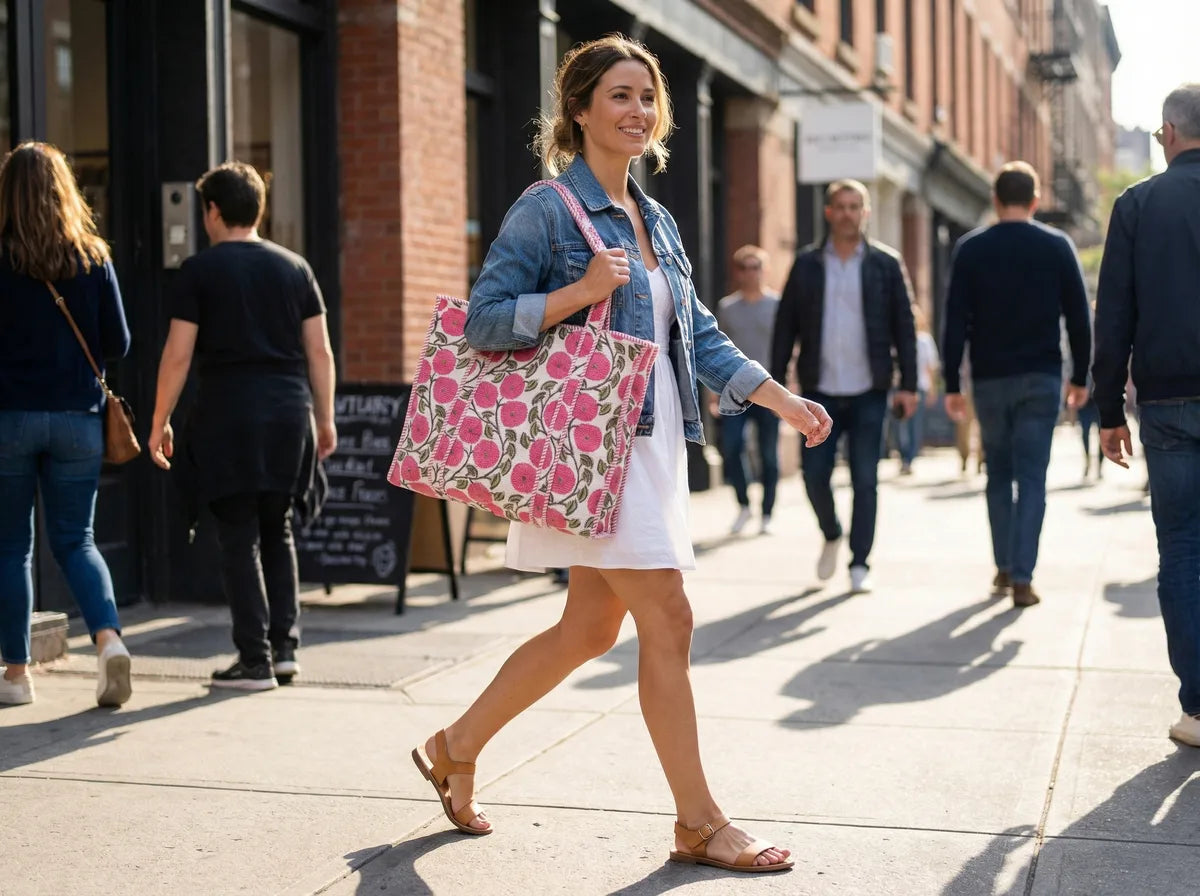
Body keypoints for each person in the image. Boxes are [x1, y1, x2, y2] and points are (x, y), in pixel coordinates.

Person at [409, 35, 830, 872]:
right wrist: (579, 293)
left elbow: (698, 335)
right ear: (580, 109)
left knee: (590, 627)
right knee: (667, 618)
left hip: (648, 442)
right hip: (596, 442)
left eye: (648, 97)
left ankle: (454, 744)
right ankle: (699, 821)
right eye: (620, 96)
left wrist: (781, 399)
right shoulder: (546, 208)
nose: (638, 110)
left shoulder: (656, 215)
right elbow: (485, 320)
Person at [149, 162, 336, 692]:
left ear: (211, 211)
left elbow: (177, 356)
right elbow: (319, 351)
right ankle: (284, 652)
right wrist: (324, 418)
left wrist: (159, 420)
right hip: (287, 413)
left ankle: (252, 659)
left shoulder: (199, 272)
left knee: (238, 538)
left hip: (227, 417)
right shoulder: (295, 267)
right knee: (277, 530)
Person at [0, 141, 133, 707]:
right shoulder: (92, 256)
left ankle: (15, 675)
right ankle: (108, 641)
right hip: (79, 419)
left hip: (9, 418)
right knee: (77, 540)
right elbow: (120, 343)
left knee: (10, 546)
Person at [1092, 84, 1200, 746]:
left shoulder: (1137, 204)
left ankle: (1197, 707)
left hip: (1166, 404)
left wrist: (1109, 410)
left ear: (1166, 133)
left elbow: (1115, 314)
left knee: (1182, 550)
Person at [942, 161, 1090, 608]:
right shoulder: (1057, 246)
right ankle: (1023, 576)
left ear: (994, 199)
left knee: (998, 474)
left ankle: (1004, 566)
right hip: (1041, 377)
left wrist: (952, 383)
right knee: (1032, 478)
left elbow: (955, 323)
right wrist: (1080, 376)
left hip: (989, 379)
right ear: (1036, 200)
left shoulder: (971, 249)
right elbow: (1079, 318)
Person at [771, 180, 917, 594]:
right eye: (842, 206)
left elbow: (904, 327)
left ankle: (859, 561)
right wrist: (777, 388)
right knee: (814, 476)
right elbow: (786, 329)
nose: (849, 213)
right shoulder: (807, 265)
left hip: (870, 389)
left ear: (865, 213)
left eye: (857, 206)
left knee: (865, 478)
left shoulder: (886, 264)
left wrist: (908, 383)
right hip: (819, 392)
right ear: (829, 212)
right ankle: (832, 532)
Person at [714, 244, 780, 535]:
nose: (751, 273)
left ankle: (767, 513)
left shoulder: (777, 305)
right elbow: (714, 352)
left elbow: (789, 349)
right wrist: (711, 395)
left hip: (771, 391)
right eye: (745, 267)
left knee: (768, 454)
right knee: (732, 448)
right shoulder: (727, 308)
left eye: (756, 267)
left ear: (764, 271)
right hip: (734, 390)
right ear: (738, 272)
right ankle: (743, 506)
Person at [896, 303, 941, 475]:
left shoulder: (924, 341)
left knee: (914, 425)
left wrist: (932, 389)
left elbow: (930, 367)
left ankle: (909, 458)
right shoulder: (898, 340)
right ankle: (904, 456)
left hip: (919, 388)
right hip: (900, 388)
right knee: (902, 425)